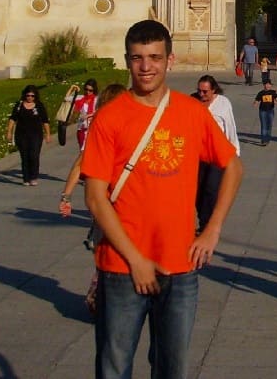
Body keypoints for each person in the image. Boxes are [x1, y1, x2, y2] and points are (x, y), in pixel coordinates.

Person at [82, 19, 243, 379]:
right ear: (127, 60)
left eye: (154, 57)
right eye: (138, 58)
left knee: (173, 369)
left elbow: (233, 166)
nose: (146, 66)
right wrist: (136, 259)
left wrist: (213, 229)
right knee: (114, 367)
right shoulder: (109, 119)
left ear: (170, 60)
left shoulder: (192, 114)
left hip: (179, 264)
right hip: (122, 267)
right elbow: (95, 198)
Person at [59, 83, 128, 315]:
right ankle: (103, 298)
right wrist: (66, 195)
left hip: (116, 200)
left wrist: (66, 196)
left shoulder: (123, 122)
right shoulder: (103, 126)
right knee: (112, 253)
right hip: (109, 201)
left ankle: (104, 296)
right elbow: (81, 162)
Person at [194, 74, 240, 231]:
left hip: (217, 153)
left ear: (213, 90)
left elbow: (230, 127)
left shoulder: (223, 103)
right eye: (200, 91)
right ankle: (202, 217)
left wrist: (234, 154)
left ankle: (206, 224)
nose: (202, 95)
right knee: (197, 190)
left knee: (212, 189)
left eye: (205, 92)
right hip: (197, 155)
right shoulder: (193, 101)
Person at [6, 85, 50, 186]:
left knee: (34, 155)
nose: (30, 97)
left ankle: (33, 177)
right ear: (25, 95)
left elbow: (45, 121)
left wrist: (47, 134)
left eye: (32, 96)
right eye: (28, 95)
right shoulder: (19, 105)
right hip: (21, 135)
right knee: (24, 156)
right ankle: (26, 178)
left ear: (35, 96)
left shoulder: (39, 106)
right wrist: (9, 131)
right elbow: (13, 119)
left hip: (36, 135)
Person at [75, 79, 100, 149]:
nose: (88, 92)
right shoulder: (81, 98)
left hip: (91, 129)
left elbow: (100, 112)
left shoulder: (96, 99)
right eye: (86, 89)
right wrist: (73, 88)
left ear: (94, 90)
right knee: (81, 151)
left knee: (86, 152)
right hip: (81, 128)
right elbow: (66, 98)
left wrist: (88, 115)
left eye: (90, 90)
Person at [254, 80, 277, 146]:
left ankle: (268, 139)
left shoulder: (273, 92)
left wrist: (276, 101)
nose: (268, 86)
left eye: (269, 84)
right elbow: (257, 100)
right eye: (266, 84)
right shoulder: (261, 93)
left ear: (271, 85)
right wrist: (255, 103)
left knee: (269, 125)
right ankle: (263, 140)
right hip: (262, 111)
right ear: (264, 85)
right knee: (263, 125)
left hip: (270, 111)